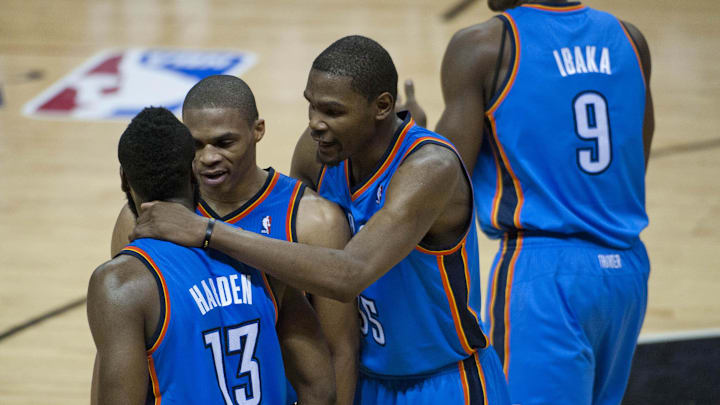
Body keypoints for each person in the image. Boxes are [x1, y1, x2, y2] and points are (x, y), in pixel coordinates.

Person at [130, 35, 510, 404]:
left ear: (381, 107)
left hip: (442, 383)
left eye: (332, 111)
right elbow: (288, 246)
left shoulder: (429, 168)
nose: (314, 123)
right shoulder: (318, 153)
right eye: (311, 106)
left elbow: (348, 274)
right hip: (366, 380)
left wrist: (207, 231)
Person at [406, 1, 654, 404]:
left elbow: (446, 192)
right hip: (625, 272)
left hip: (542, 274)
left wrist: (413, 141)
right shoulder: (630, 38)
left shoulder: (485, 45)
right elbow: (635, 166)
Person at [110, 76, 358, 405]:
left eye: (224, 143)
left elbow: (338, 350)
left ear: (258, 130)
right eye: (195, 145)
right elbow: (130, 350)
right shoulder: (144, 219)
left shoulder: (312, 220)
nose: (208, 157)